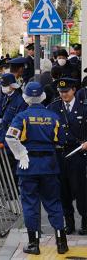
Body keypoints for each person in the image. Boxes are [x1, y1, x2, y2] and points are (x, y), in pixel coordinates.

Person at [5, 81, 69, 255]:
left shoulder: (22, 117)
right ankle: (61, 242)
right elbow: (61, 141)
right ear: (43, 96)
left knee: (30, 204)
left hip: (28, 166)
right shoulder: (54, 117)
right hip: (49, 165)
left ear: (26, 97)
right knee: (54, 203)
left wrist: (21, 153)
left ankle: (34, 244)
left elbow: (10, 137)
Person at [49, 77, 87, 235]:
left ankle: (85, 222)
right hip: (61, 154)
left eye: (66, 91)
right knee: (63, 191)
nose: (64, 94)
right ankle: (69, 223)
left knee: (82, 191)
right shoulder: (54, 107)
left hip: (79, 154)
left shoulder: (84, 108)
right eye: (61, 91)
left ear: (74, 90)